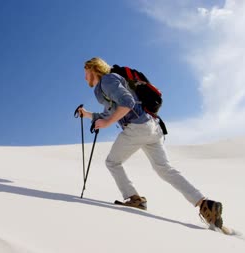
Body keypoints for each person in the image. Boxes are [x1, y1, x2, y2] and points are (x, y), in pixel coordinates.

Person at [78, 57, 223, 228]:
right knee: (164, 169)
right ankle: (205, 204)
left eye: (86, 72)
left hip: (137, 127)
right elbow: (111, 112)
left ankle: (134, 199)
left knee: (112, 162)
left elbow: (127, 103)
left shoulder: (107, 81)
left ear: (93, 69)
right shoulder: (110, 84)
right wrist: (88, 114)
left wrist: (107, 123)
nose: (85, 77)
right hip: (152, 126)